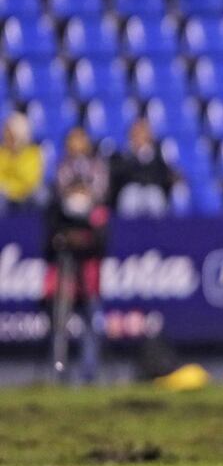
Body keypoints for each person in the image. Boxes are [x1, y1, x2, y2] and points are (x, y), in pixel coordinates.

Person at [44, 127, 110, 384]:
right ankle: (58, 370)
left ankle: (89, 372)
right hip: (63, 272)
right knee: (60, 322)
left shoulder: (97, 213)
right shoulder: (58, 203)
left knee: (91, 321)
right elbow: (52, 240)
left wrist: (81, 240)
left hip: (89, 271)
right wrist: (66, 239)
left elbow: (100, 241)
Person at [108, 118, 181, 218]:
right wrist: (133, 156)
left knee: (154, 197)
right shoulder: (123, 153)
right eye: (136, 133)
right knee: (130, 197)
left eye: (143, 132)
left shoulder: (160, 152)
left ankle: (159, 231)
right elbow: (117, 175)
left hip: (153, 188)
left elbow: (166, 173)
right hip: (131, 188)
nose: (139, 136)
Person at [0, 111, 44, 213]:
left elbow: (30, 181)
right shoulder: (1, 152)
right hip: (5, 192)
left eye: (10, 133)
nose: (5, 136)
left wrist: (12, 188)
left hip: (27, 193)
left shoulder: (33, 153)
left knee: (41, 195)